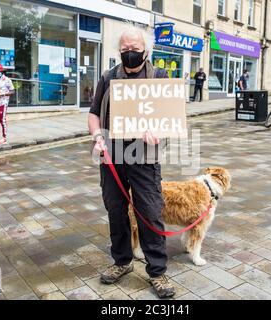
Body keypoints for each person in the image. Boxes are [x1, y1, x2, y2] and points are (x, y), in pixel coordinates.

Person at [88, 26, 176, 299]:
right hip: (112, 156)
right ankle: (122, 262)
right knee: (115, 210)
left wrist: (158, 131)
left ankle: (157, 272)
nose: (130, 53)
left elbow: (171, 118)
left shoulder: (159, 77)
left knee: (149, 212)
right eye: (125, 49)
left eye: (134, 49)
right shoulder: (108, 77)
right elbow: (93, 114)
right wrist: (96, 136)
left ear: (146, 50)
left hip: (144, 156)